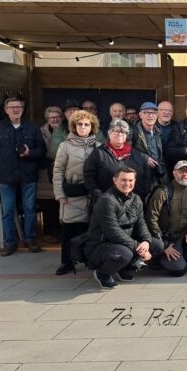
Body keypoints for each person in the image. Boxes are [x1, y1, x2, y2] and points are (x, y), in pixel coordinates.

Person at [85, 167, 183, 289]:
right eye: (123, 180)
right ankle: (102, 273)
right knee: (124, 254)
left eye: (131, 180)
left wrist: (146, 242)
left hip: (125, 242)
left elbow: (141, 224)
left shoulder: (136, 199)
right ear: (115, 180)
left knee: (157, 245)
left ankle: (122, 269)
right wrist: (137, 246)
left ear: (135, 181)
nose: (127, 183)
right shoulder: (106, 200)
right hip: (101, 245)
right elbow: (112, 231)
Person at [0, 97, 46, 255]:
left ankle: (30, 240)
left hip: (28, 175)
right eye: (12, 107)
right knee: (7, 211)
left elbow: (42, 150)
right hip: (6, 176)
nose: (15, 109)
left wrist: (30, 153)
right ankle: (9, 243)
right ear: (5, 110)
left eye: (18, 106)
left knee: (30, 209)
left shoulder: (32, 127)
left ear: (23, 108)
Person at [52, 110, 100, 275]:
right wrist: (59, 194)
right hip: (72, 194)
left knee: (88, 230)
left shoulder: (98, 146)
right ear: (74, 126)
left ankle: (87, 260)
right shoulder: (65, 146)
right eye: (80, 124)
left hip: (91, 195)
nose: (83, 127)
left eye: (87, 124)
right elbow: (58, 170)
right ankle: (66, 263)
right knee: (69, 231)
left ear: (92, 127)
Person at [146, 160, 187, 272]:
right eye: (181, 171)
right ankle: (159, 257)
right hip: (165, 238)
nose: (185, 174)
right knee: (178, 270)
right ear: (174, 173)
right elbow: (151, 219)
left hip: (183, 237)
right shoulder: (162, 192)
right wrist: (164, 245)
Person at [84, 120, 153, 201]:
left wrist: (142, 194)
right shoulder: (99, 153)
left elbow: (146, 175)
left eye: (124, 132)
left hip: (133, 203)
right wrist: (99, 196)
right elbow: (88, 176)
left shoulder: (137, 154)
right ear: (109, 132)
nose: (120, 134)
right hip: (107, 202)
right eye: (117, 131)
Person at [38, 106, 67, 243]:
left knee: (62, 201)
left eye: (57, 116)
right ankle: (49, 231)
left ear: (62, 117)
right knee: (48, 203)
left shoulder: (67, 130)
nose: (54, 119)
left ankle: (61, 231)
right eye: (51, 117)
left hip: (64, 170)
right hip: (45, 172)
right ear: (47, 119)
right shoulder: (40, 132)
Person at [130, 102, 166, 186]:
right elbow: (127, 150)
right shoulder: (132, 131)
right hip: (140, 175)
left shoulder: (159, 132)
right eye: (146, 112)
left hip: (158, 175)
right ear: (140, 115)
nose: (150, 116)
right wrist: (145, 158)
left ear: (157, 115)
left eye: (153, 113)